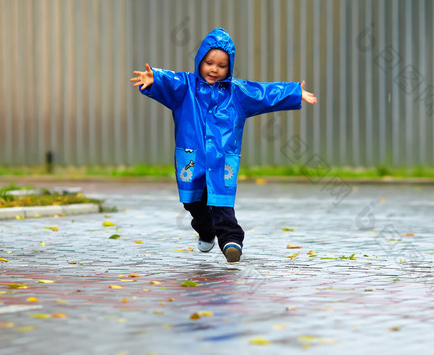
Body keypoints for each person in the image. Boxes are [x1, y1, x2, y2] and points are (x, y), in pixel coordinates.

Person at [130, 28, 317, 262]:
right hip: (192, 158)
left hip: (222, 161)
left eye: (221, 65)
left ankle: (231, 241)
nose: (214, 70)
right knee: (192, 202)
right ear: (200, 61)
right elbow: (169, 80)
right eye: (209, 63)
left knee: (221, 202)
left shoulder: (236, 93)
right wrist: (154, 78)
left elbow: (263, 93)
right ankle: (206, 231)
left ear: (229, 68)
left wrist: (293, 92)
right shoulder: (185, 88)